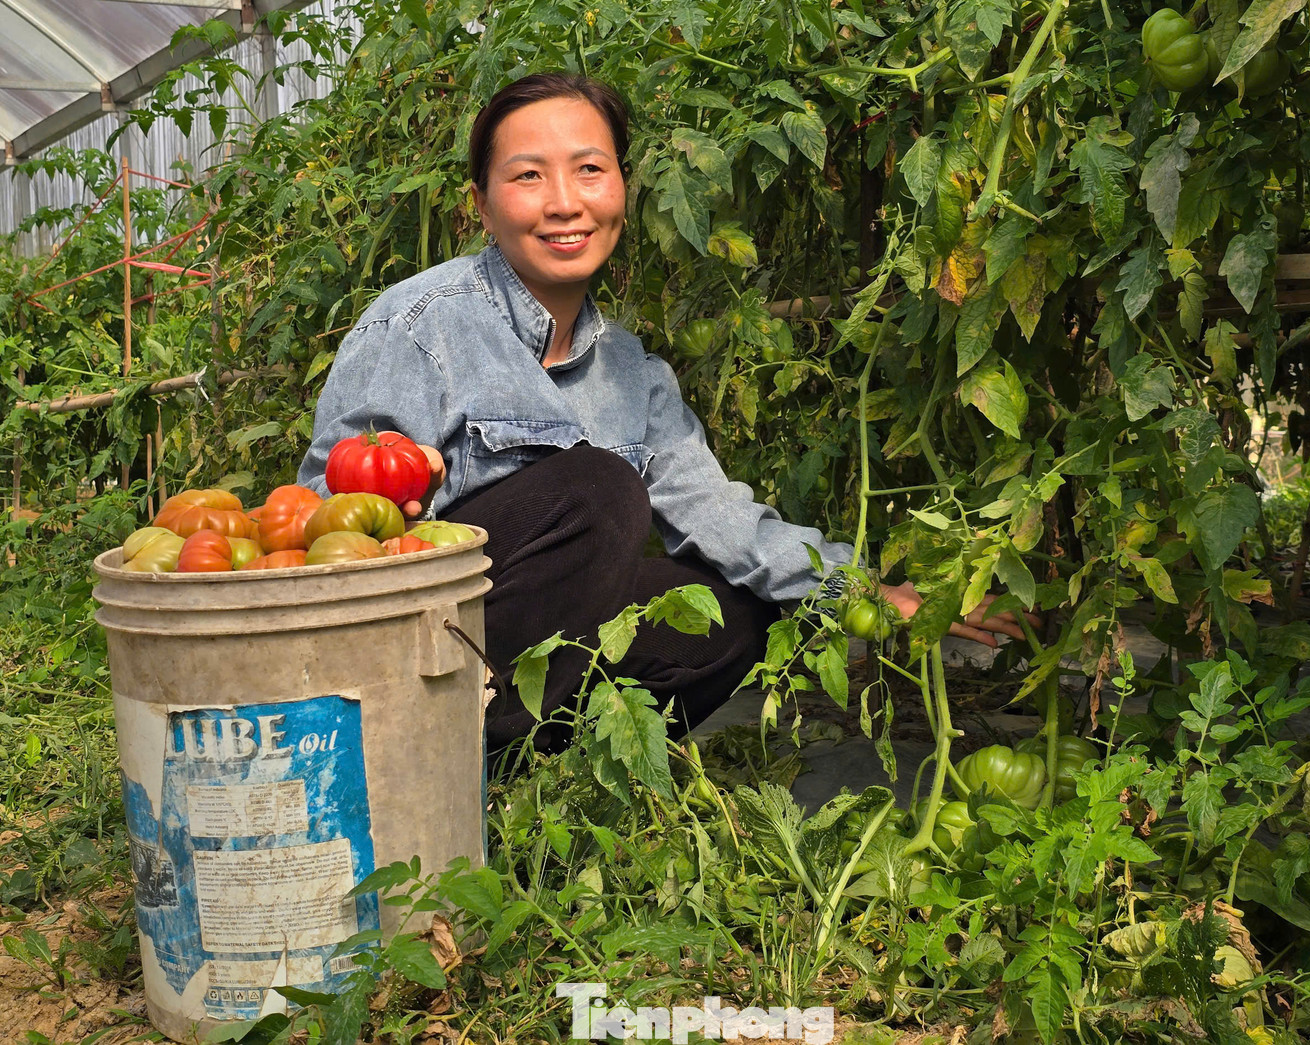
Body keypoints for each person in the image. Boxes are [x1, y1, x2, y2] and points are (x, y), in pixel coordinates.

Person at [298, 72, 1027, 748]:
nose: (563, 202)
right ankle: (440, 769)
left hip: (517, 668)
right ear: (482, 205)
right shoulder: (424, 323)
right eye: (528, 175)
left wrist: (866, 591)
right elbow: (319, 528)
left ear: (621, 187)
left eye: (590, 169)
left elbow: (721, 519)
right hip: (408, 660)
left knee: (735, 613)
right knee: (600, 487)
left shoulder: (633, 373)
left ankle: (535, 772)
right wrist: (406, 499)